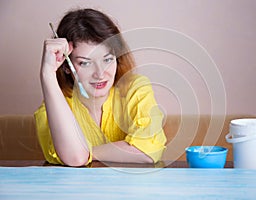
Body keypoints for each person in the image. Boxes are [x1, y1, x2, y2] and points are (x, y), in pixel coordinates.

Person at [34, 8, 167, 167]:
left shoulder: (135, 88)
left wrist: (89, 151)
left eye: (107, 59)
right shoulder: (54, 107)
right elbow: (75, 158)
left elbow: (148, 150)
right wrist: (47, 74)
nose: (100, 74)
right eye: (85, 63)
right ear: (66, 66)